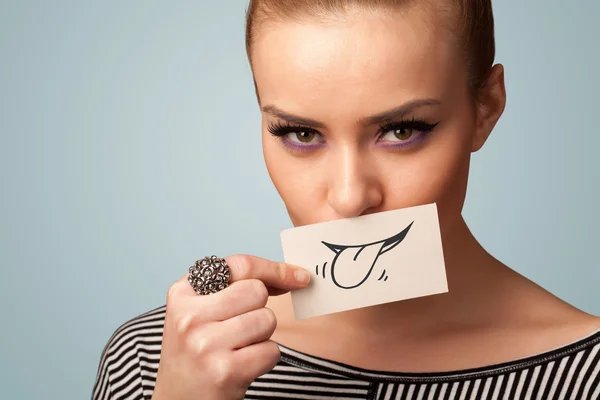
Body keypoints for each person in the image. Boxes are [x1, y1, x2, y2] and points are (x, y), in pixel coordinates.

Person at [91, 0, 600, 399]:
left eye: (402, 130)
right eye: (301, 134)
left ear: (486, 108)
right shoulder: (153, 360)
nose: (350, 197)